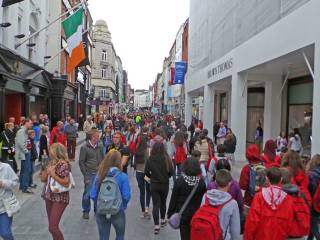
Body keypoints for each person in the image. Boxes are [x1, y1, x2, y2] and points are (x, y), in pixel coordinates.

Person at [90, 150, 131, 240]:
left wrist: (100, 204)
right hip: (117, 210)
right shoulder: (123, 176)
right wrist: (122, 206)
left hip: (102, 210)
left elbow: (92, 195)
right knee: (120, 236)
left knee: (103, 237)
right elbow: (126, 196)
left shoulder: (99, 176)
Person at [244, 167, 294, 240]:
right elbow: (289, 223)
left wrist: (248, 237)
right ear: (281, 179)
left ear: (267, 179)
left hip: (260, 236)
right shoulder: (288, 199)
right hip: (279, 236)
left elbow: (252, 221)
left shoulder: (259, 196)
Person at [167, 157, 206, 240]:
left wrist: (170, 213)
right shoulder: (201, 183)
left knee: (184, 236)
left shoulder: (179, 181)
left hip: (183, 214)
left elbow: (174, 199)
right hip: (196, 215)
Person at [195, 169, 240, 240]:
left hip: (206, 235)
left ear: (215, 182)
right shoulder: (232, 203)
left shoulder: (206, 196)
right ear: (229, 183)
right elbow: (235, 231)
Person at [40, 143, 73, 240]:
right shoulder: (50, 163)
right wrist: (44, 169)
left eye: (51, 149)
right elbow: (43, 179)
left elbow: (66, 183)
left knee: (53, 227)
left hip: (59, 198)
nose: (49, 151)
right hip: (49, 196)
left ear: (56, 152)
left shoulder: (63, 164)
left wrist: (53, 174)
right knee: (51, 227)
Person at [145, 142, 174, 234]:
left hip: (154, 184)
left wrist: (151, 176)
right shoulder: (166, 158)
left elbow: (146, 172)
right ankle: (162, 220)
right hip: (164, 184)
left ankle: (156, 225)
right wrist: (166, 176)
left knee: (156, 204)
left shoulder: (150, 159)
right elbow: (171, 172)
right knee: (163, 203)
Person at [79, 129, 104, 220]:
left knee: (97, 193)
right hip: (89, 174)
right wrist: (85, 175)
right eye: (97, 136)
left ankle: (96, 210)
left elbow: (103, 159)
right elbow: (81, 162)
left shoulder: (100, 146)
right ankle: (86, 210)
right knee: (87, 194)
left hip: (99, 174)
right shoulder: (84, 147)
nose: (99, 138)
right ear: (93, 137)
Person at [134, 127, 151, 219]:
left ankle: (143, 210)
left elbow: (134, 160)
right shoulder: (148, 149)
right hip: (147, 172)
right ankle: (147, 208)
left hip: (139, 171)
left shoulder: (137, 150)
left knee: (142, 192)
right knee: (148, 191)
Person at [0, 161, 19, 240]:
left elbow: (16, 183)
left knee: (6, 233)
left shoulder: (6, 167)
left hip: (4, 208)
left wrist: (3, 183)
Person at [15, 119, 33, 194]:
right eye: (30, 123)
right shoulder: (21, 131)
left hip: (24, 153)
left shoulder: (23, 131)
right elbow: (21, 143)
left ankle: (22, 186)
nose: (31, 124)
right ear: (26, 123)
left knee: (23, 170)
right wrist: (27, 151)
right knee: (26, 170)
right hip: (24, 154)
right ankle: (24, 187)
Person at [307, 154, 320, 240]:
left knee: (313, 223)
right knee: (313, 222)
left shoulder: (311, 174)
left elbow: (311, 189)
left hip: (314, 202)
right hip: (319, 202)